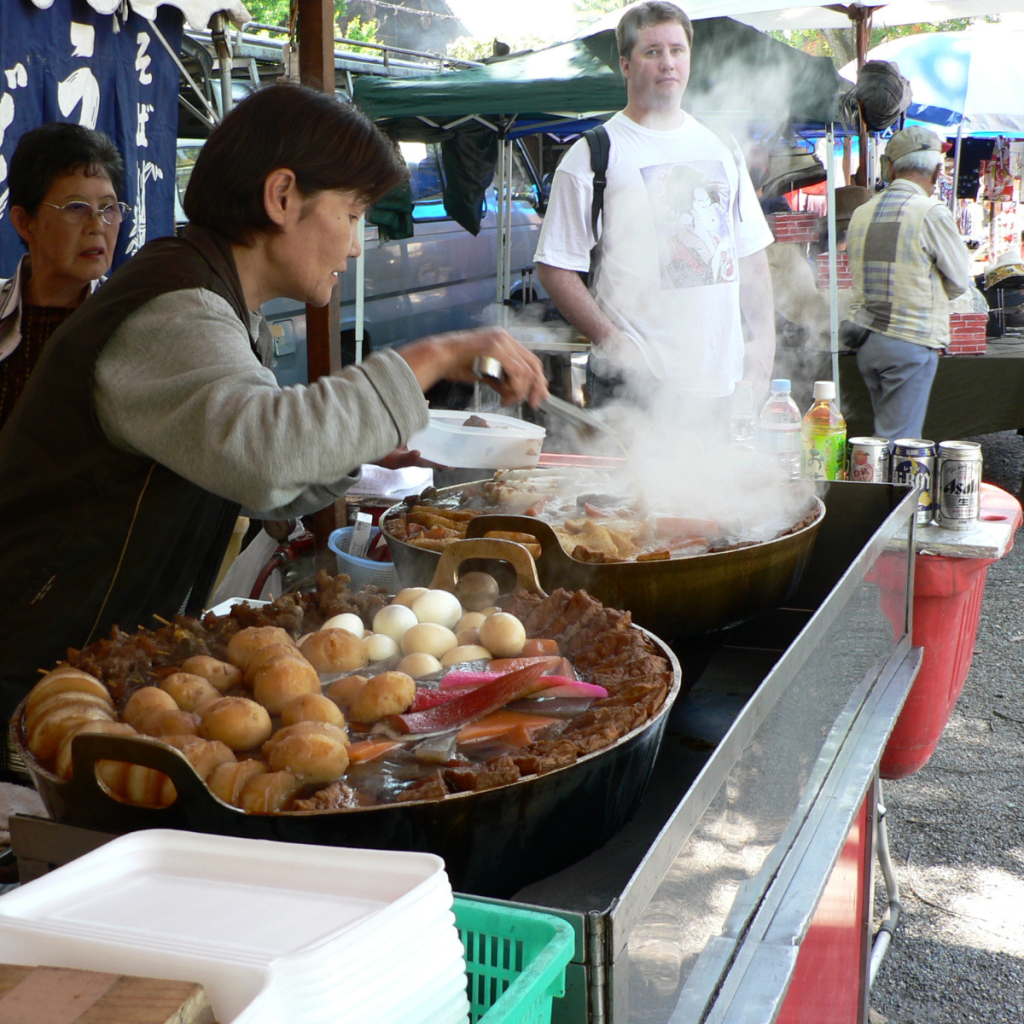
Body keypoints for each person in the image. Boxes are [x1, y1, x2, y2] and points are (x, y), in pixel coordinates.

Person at [0, 84, 548, 758]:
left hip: (81, 654)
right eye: (351, 214)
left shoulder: (220, 305)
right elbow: (264, 451)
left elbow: (256, 475)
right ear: (282, 196)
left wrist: (365, 446)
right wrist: (432, 356)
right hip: (28, 662)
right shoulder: (174, 310)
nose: (354, 245)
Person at [534, 0, 775, 420]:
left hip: (723, 383)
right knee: (630, 489)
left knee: (718, 488)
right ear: (626, 65)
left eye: (677, 50)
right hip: (636, 387)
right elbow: (554, 266)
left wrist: (765, 344)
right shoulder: (593, 155)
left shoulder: (721, 145)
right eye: (653, 52)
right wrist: (615, 343)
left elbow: (750, 254)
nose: (668, 63)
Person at [846, 127, 970, 443]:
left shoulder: (860, 212)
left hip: (867, 342)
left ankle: (874, 490)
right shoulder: (930, 212)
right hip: (909, 341)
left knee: (883, 440)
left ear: (890, 167)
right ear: (939, 170)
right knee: (899, 442)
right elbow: (958, 281)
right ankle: (886, 494)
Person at [0, 123, 125, 430]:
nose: (97, 225)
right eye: (76, 207)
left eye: (108, 207)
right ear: (25, 222)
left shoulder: (131, 325)